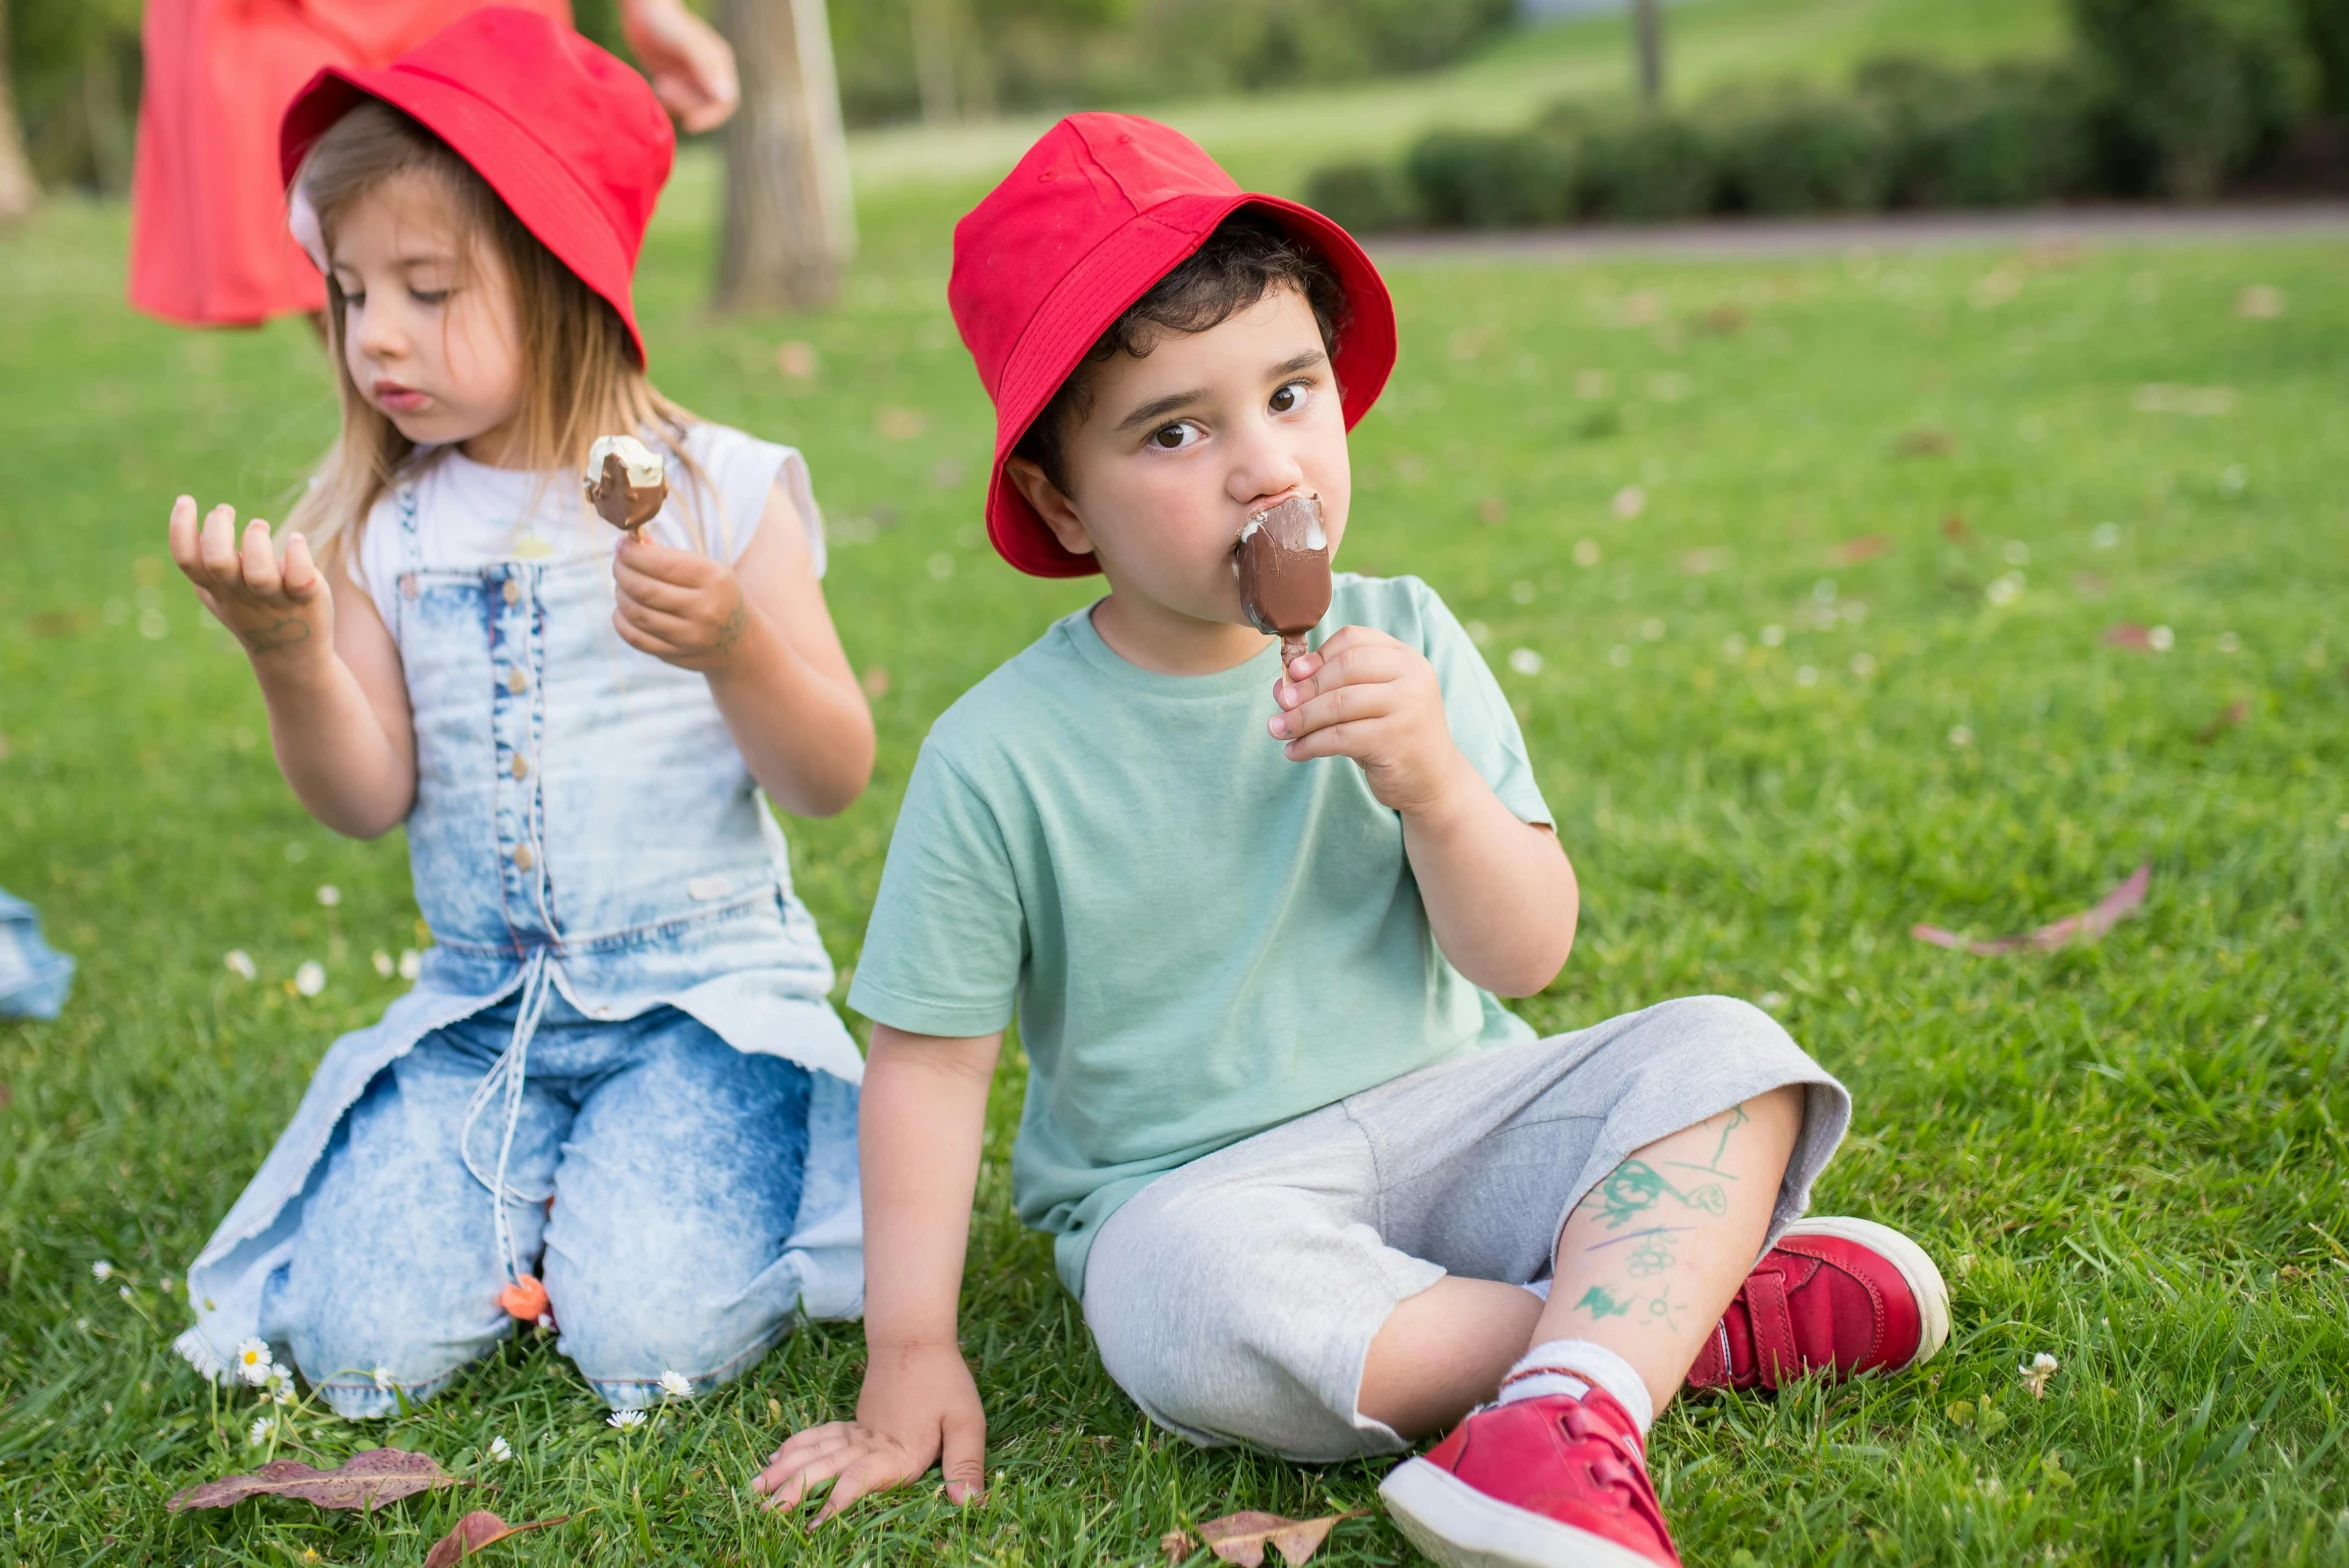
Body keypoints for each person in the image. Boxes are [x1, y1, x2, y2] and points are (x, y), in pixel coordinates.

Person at [751, 115, 1949, 1567]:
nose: (1264, 468)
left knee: (1724, 1048)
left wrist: (1437, 784)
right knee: (1177, 1306)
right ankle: (1655, 1325)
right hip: (1199, 1191)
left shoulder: (1406, 640)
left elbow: (1528, 952)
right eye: (1175, 431)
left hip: (1464, 1120)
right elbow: (931, 1067)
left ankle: (1565, 1401)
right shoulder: (1000, 755)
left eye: (1288, 393)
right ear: (1062, 502)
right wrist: (912, 1346)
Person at [166, 10, 870, 1418]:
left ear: (561, 277)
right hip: (485, 1015)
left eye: (427, 288)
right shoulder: (384, 522)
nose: (378, 339)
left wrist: (733, 643)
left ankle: (651, 1180)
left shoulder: (716, 488)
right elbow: (365, 800)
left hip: (693, 1007)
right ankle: (550, 1181)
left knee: (646, 1347)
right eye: (354, 294)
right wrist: (289, 652)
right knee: (358, 1349)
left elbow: (831, 775)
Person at [129, 0, 737, 328]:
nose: (379, 340)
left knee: (511, 247)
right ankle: (405, 506)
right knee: (343, 225)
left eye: (428, 290)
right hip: (271, 16)